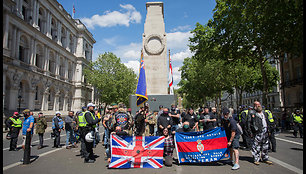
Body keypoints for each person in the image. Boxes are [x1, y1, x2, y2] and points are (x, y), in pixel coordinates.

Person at [247, 101, 273, 165]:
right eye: (256, 105)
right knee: (256, 146)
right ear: (254, 106)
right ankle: (256, 159)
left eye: (259, 104)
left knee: (265, 146)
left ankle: (265, 158)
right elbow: (248, 123)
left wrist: (269, 130)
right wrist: (250, 132)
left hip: (265, 131)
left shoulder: (264, 113)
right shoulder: (252, 113)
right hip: (257, 132)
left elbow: (267, 121)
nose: (258, 106)